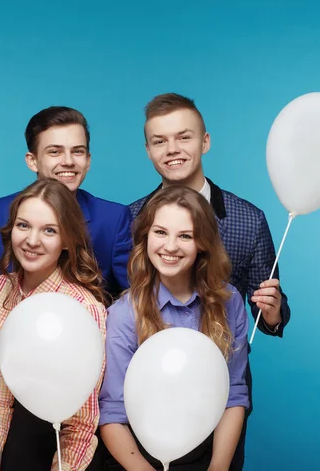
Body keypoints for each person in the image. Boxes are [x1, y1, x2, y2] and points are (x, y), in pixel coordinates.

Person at [0, 106, 132, 470]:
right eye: (54, 151)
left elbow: (127, 305)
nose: (68, 161)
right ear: (32, 159)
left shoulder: (113, 219)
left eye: (77, 151)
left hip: (74, 411)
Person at [128, 93, 291, 469]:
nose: (172, 149)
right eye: (159, 141)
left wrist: (272, 313)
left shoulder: (248, 219)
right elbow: (123, 303)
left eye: (183, 137)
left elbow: (269, 308)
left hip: (221, 394)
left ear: (205, 141)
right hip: (150, 391)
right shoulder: (133, 218)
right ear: (149, 150)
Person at [99, 186, 249, 470]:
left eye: (185, 236)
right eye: (160, 232)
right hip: (138, 457)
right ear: (145, 237)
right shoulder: (123, 314)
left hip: (205, 451)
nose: (170, 246)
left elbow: (234, 395)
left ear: (203, 243)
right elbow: (113, 415)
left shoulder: (229, 302)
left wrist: (217, 467)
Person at [0, 178, 107, 470]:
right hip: (15, 445)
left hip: (65, 453)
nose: (32, 240)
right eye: (23, 226)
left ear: (67, 241)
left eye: (49, 230)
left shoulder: (85, 309)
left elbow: (83, 421)